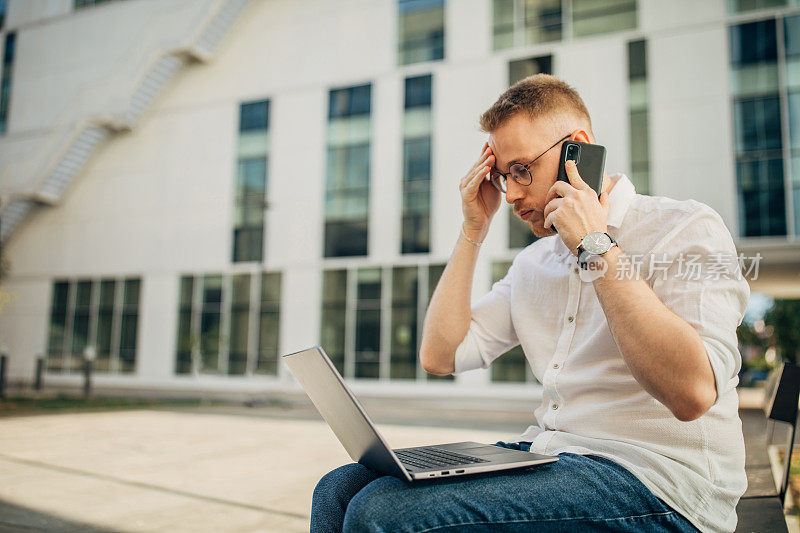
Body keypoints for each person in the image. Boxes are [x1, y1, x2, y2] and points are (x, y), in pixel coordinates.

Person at [310, 74, 748, 533]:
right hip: (550, 457)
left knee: (382, 513)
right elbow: (441, 355)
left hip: (659, 483)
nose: (513, 194)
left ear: (576, 149)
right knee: (339, 488)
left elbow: (693, 392)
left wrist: (595, 246)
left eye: (522, 169)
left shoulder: (686, 227)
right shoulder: (535, 262)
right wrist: (472, 230)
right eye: (503, 177)